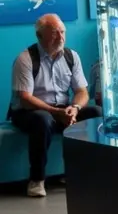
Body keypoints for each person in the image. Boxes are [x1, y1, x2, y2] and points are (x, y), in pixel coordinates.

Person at [9, 13, 101, 197]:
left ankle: (83, 172)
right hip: (29, 111)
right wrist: (54, 112)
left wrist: (74, 109)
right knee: (42, 120)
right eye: (54, 33)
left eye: (62, 32)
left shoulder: (71, 56)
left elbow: (82, 92)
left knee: (96, 112)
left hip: (62, 108)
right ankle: (37, 180)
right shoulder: (25, 59)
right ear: (39, 36)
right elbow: (25, 98)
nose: (60, 37)